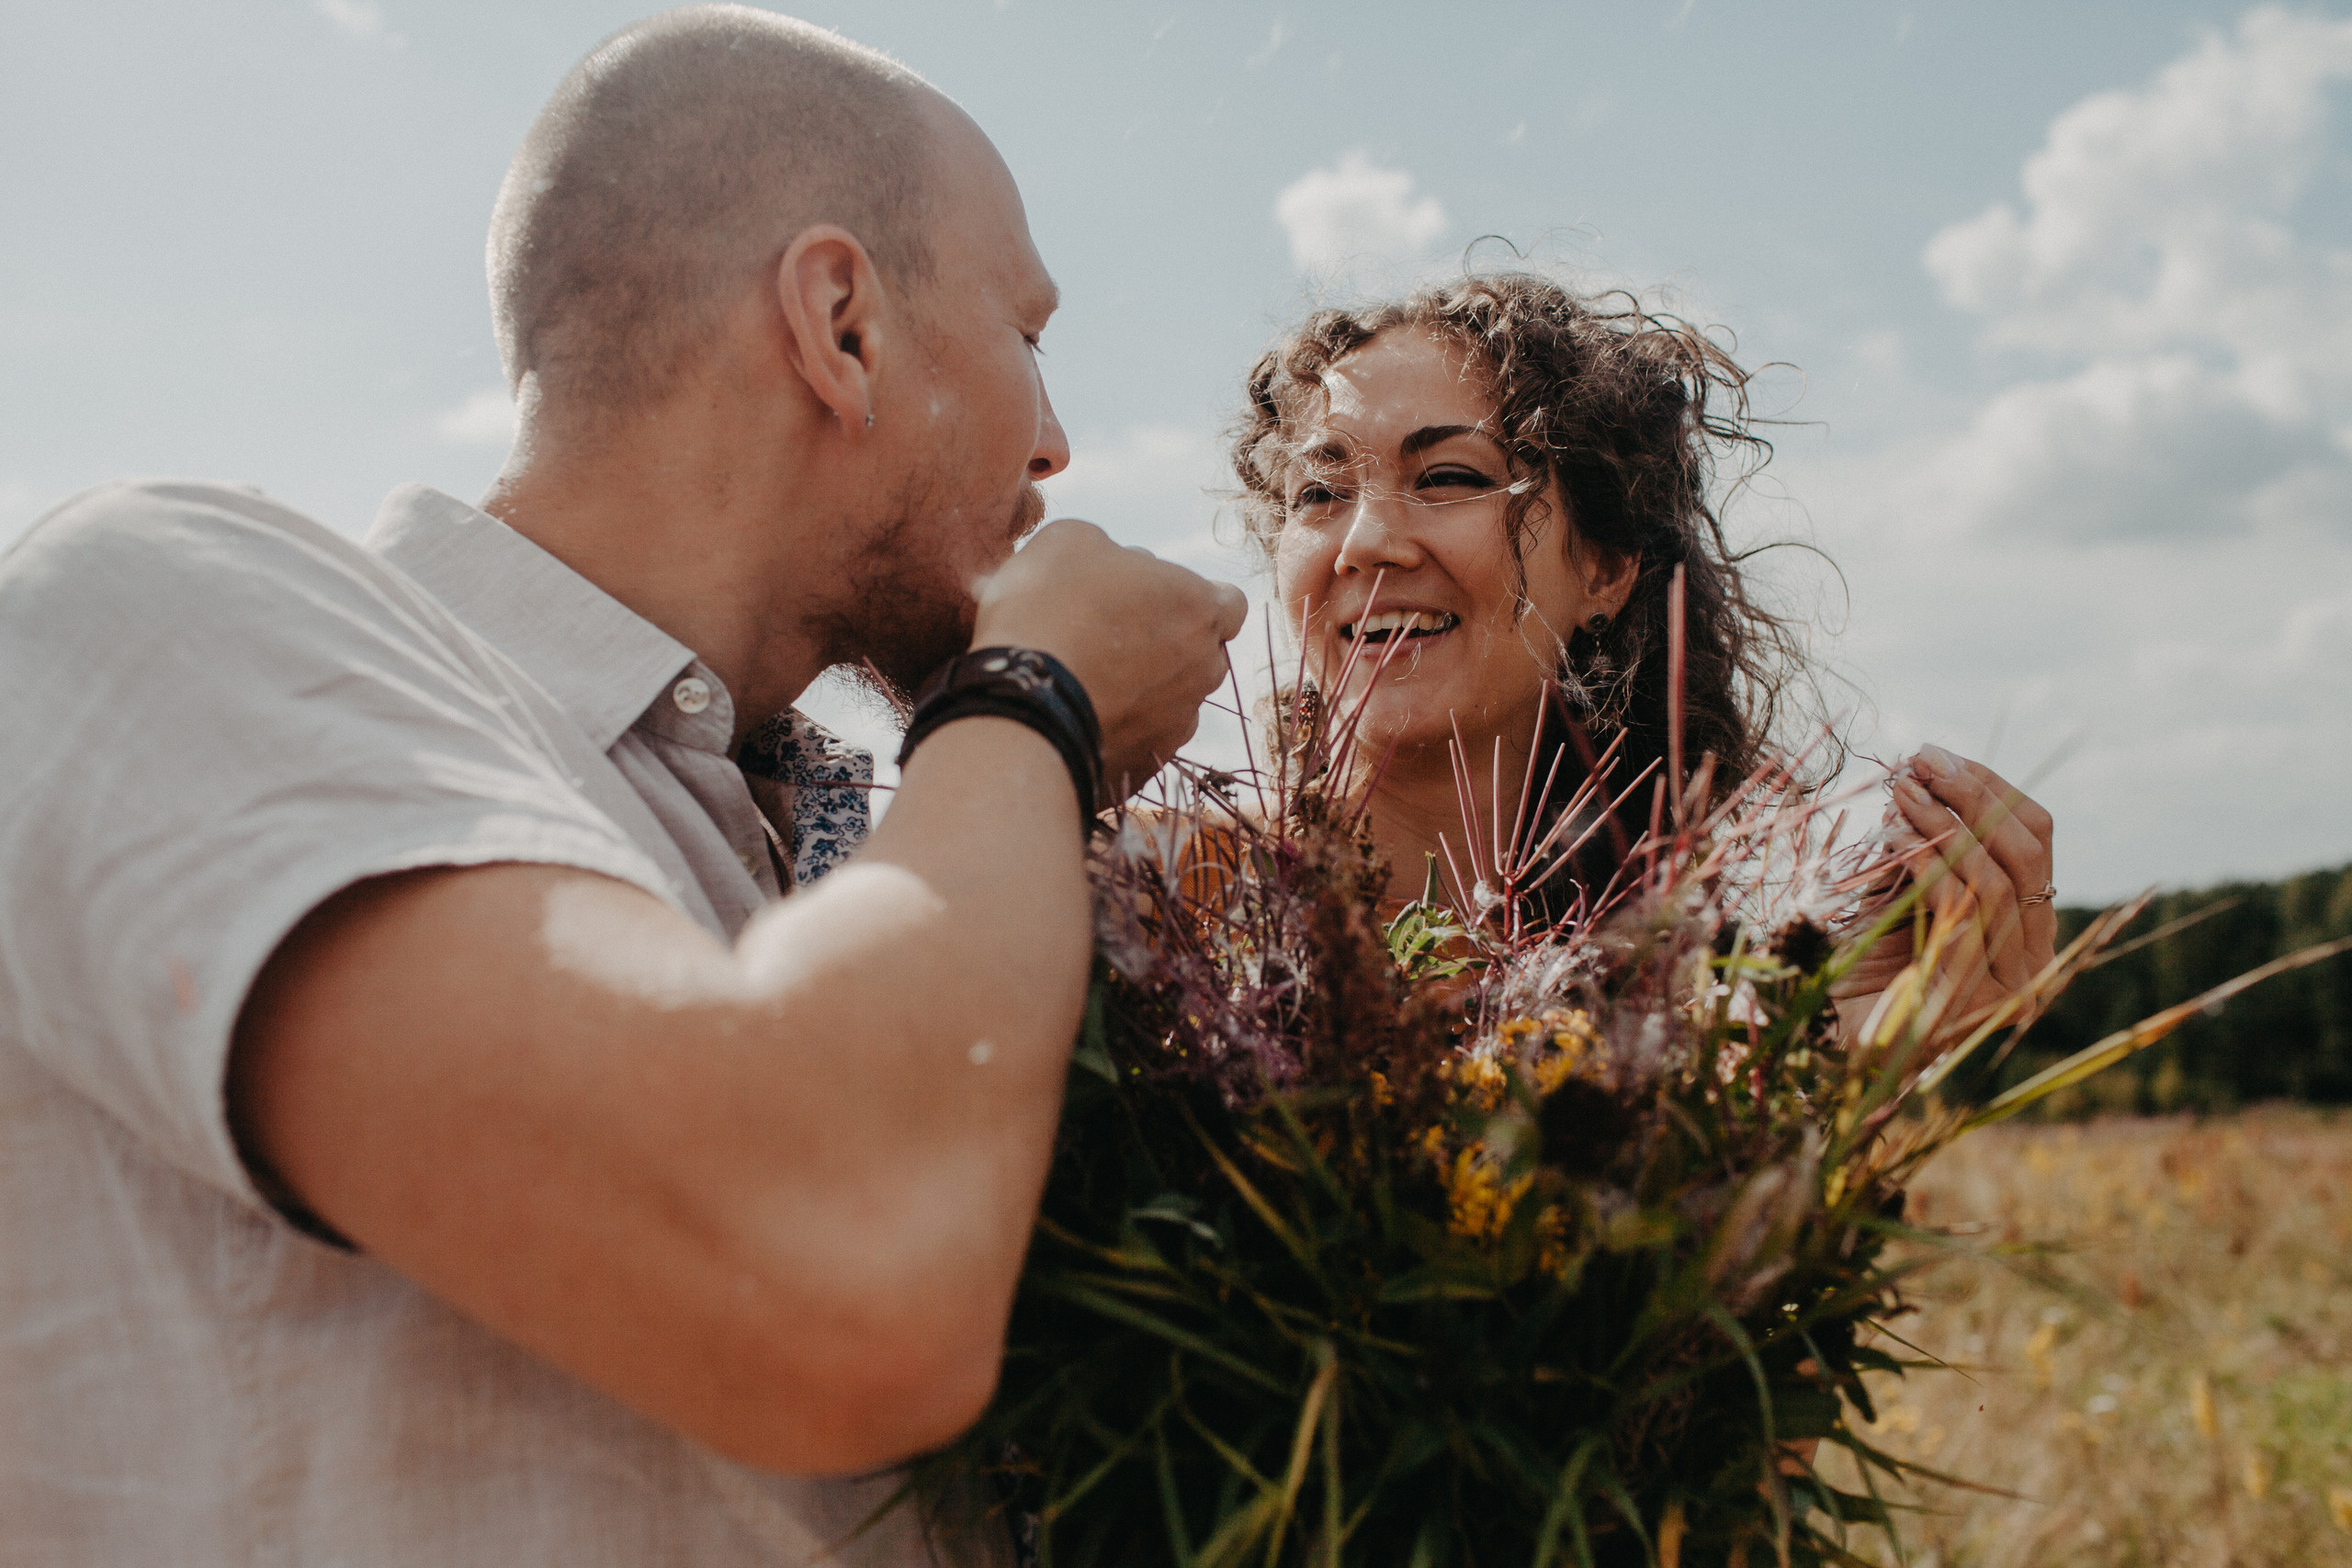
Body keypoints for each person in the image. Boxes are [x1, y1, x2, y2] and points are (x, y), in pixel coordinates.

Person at [0, 8, 1244, 1564]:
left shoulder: (828, 835)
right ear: (841, 322)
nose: (1057, 445)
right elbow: (837, 1270)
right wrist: (1032, 696)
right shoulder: (155, 608)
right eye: (1029, 333)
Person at [1227, 275, 2059, 1027]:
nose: (1368, 541)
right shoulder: (1160, 889)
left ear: (1606, 568)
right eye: (1320, 492)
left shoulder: (1675, 1005)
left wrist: (1822, 1056)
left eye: (1449, 477)